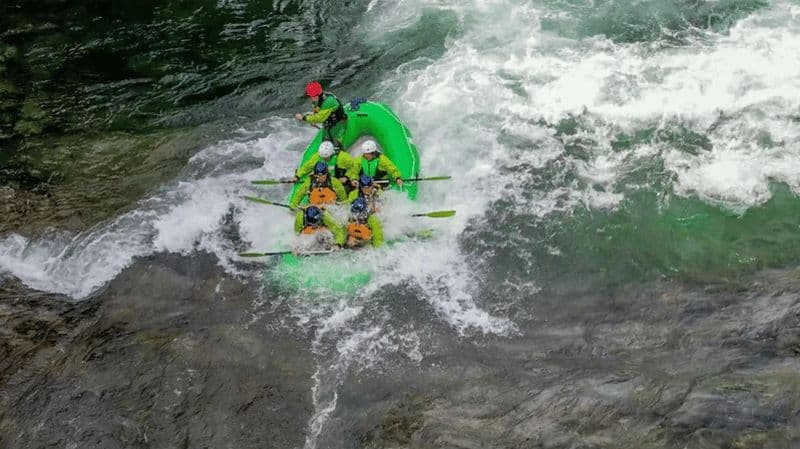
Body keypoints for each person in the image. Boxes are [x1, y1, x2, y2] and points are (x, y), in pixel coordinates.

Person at [295, 81, 348, 146]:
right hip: (328, 124)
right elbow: (316, 111)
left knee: (337, 145)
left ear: (317, 95)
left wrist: (303, 118)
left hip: (339, 123)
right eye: (311, 96)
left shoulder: (328, 101)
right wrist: (313, 119)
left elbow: (320, 118)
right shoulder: (317, 100)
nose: (311, 98)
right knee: (325, 144)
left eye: (312, 96)